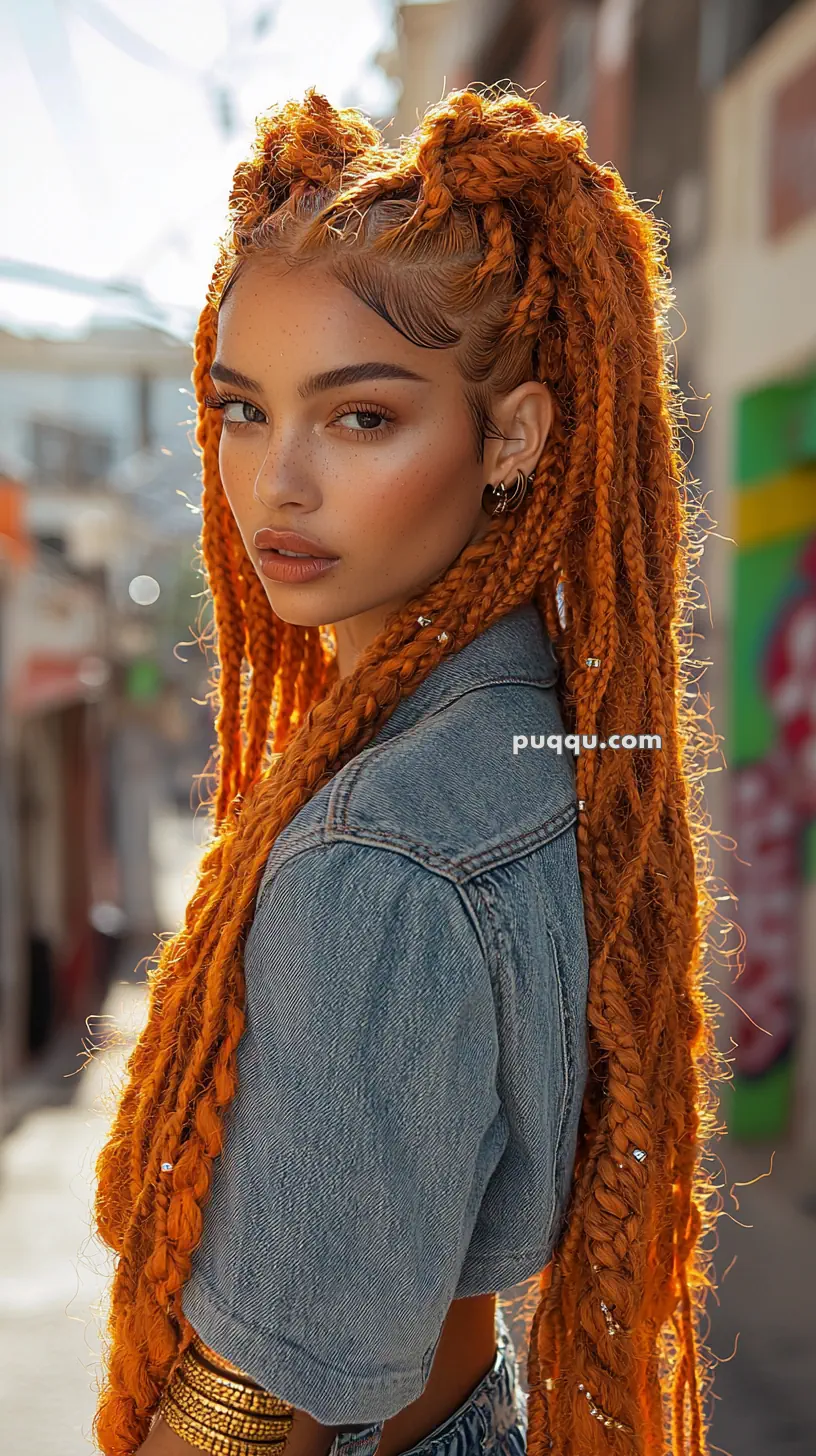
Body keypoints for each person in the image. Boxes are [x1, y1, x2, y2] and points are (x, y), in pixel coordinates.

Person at [91, 85, 724, 1456]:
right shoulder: (552, 733)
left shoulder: (377, 856)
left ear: (513, 437)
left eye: (361, 418)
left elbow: (271, 1406)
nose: (276, 486)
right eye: (242, 411)